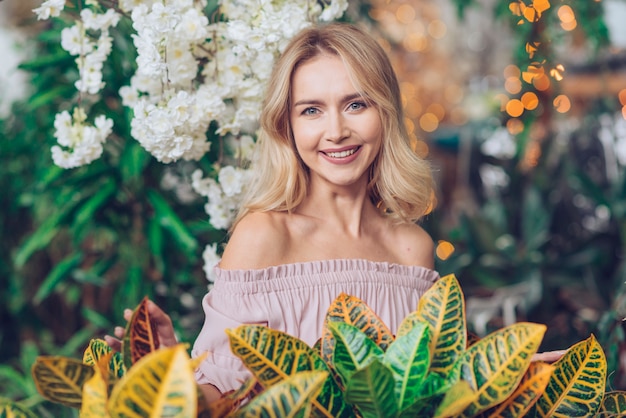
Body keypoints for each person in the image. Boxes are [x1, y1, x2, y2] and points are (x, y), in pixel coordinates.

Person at [105, 22, 562, 403]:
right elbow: (224, 393)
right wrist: (170, 378)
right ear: (287, 125)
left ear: (384, 112)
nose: (337, 131)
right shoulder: (264, 235)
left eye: (356, 104)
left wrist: (515, 379)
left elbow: (435, 391)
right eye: (311, 110)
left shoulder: (412, 248)